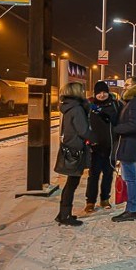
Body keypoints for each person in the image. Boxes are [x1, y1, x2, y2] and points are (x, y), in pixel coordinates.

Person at [112, 76, 136, 222]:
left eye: (128, 84)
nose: (124, 87)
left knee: (130, 179)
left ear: (135, 86)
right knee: (135, 176)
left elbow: (134, 125)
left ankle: (131, 210)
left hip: (130, 144)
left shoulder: (135, 102)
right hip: (133, 143)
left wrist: (116, 129)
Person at [55, 81, 92, 227]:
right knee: (72, 183)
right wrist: (94, 139)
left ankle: (62, 214)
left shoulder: (69, 107)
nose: (84, 92)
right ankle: (65, 215)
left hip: (70, 147)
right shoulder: (77, 109)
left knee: (71, 182)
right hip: (76, 149)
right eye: (81, 90)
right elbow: (83, 130)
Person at [83, 80, 122, 214]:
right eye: (99, 93)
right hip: (94, 147)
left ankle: (105, 198)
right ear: (95, 94)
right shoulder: (89, 107)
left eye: (104, 92)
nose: (102, 95)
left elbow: (119, 123)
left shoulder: (116, 105)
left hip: (110, 146)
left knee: (108, 174)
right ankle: (90, 201)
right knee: (93, 175)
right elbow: (84, 126)